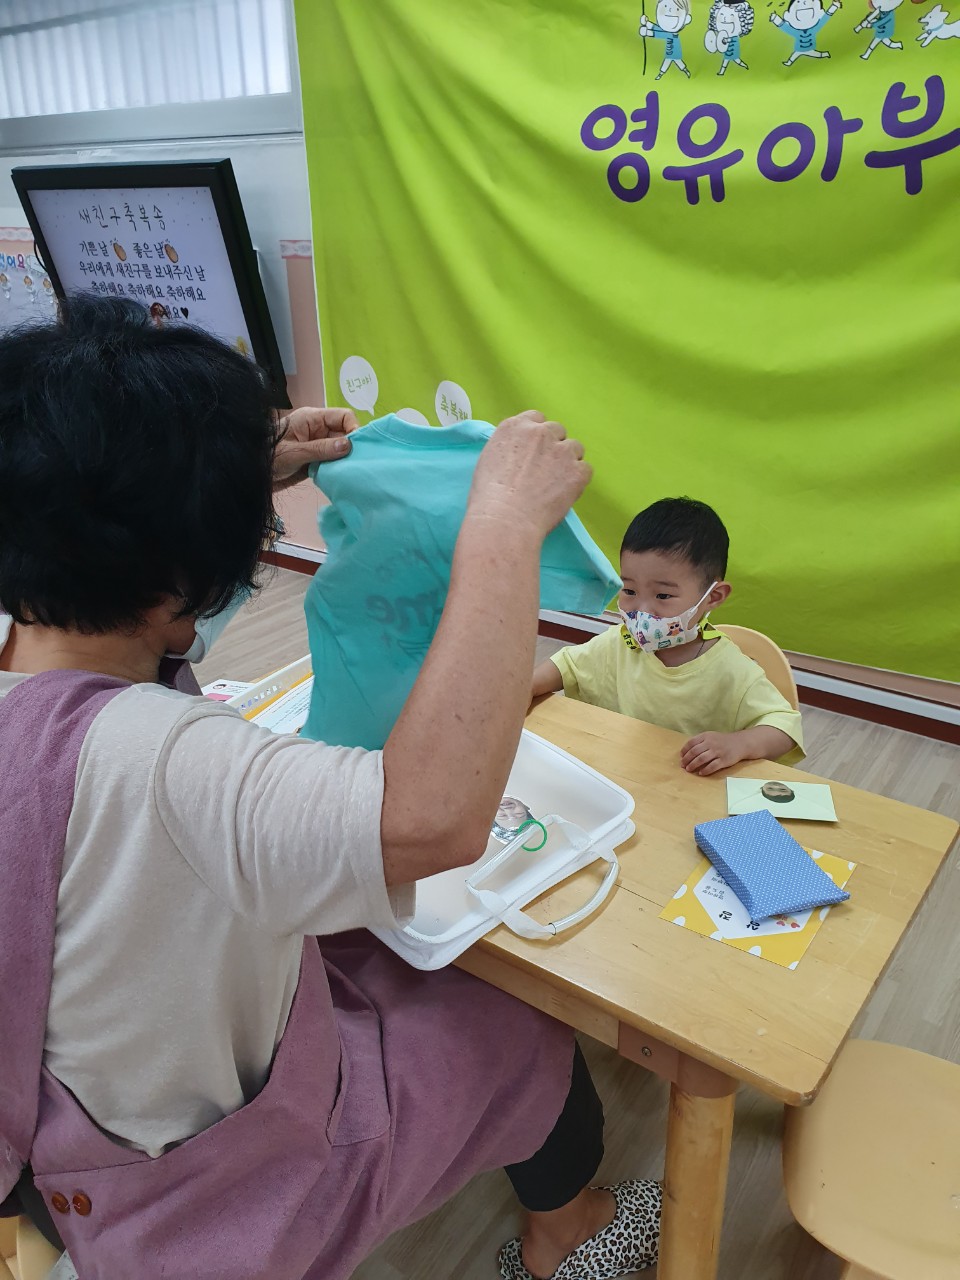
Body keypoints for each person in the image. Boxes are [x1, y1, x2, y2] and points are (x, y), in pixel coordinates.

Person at [0, 297, 661, 1280]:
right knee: (522, 1027)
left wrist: (223, 468)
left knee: (379, 948)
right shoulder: (170, 765)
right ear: (180, 586)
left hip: (60, 1132)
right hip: (209, 1199)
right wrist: (502, 526)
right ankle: (569, 1233)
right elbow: (434, 816)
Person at [531, 498, 803, 777]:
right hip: (621, 775)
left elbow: (785, 727)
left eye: (662, 595)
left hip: (685, 787)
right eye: (629, 591)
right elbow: (567, 665)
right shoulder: (621, 642)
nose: (642, 610)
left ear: (712, 597)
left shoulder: (731, 670)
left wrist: (739, 744)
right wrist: (526, 688)